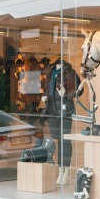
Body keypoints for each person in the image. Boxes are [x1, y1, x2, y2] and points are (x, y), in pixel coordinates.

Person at [41, 58, 82, 186]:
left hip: (65, 109)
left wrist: (67, 93)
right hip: (52, 109)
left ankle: (67, 171)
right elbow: (47, 89)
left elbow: (79, 90)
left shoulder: (70, 72)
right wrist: (45, 96)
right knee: (57, 139)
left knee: (65, 139)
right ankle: (60, 170)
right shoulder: (50, 72)